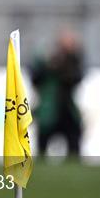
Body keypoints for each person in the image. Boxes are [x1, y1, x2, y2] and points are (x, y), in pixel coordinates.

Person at [30, 29, 84, 157]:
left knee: (74, 148)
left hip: (67, 110)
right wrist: (49, 64)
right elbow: (36, 78)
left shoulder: (73, 61)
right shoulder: (46, 61)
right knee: (42, 147)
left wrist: (64, 61)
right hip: (47, 111)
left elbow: (75, 78)